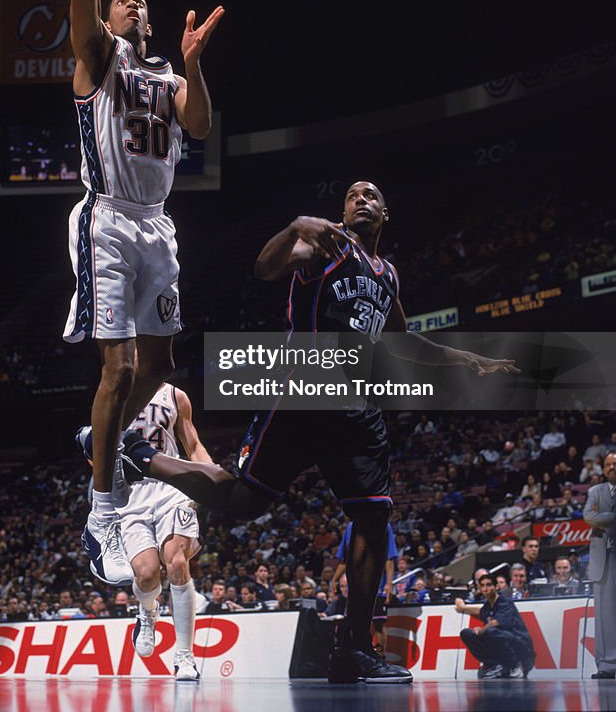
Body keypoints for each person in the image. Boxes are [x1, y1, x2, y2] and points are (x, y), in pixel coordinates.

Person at [120, 181, 517, 683]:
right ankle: (139, 456)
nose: (361, 199)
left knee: (374, 517)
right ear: (343, 211)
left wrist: (467, 358)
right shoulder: (324, 244)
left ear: (385, 212)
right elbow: (264, 268)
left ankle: (352, 650)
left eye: (371, 194)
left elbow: (401, 340)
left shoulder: (388, 274)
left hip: (359, 408)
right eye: (352, 194)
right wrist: (293, 228)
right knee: (244, 501)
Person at [37, 0, 223, 589]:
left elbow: (204, 127)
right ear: (107, 21)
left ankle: (102, 446)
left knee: (162, 364)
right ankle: (101, 508)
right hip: (108, 216)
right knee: (117, 370)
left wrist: (191, 64)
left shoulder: (160, 72)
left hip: (159, 222)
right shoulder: (99, 59)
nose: (132, 0)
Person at [79, 383, 211, 681]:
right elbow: (95, 449)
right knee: (147, 573)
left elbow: (193, 445)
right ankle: (148, 610)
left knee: (177, 561)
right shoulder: (114, 390)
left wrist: (210, 475)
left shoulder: (176, 395)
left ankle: (184, 657)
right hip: (130, 495)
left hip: (172, 487)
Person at [332, 520, 397, 656]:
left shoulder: (383, 524)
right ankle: (354, 658)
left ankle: (380, 658)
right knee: (352, 623)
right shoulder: (351, 526)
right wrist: (334, 579)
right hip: (355, 586)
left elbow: (388, 558)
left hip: (377, 585)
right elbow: (345, 558)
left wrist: (389, 583)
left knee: (378, 623)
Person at [455, 572, 535, 679]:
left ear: (496, 587)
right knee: (466, 633)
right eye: (482, 586)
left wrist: (481, 630)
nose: (485, 589)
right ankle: (493, 665)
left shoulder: (505, 602)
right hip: (501, 642)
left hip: (520, 646)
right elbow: (483, 615)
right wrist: (464, 609)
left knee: (490, 631)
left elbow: (495, 623)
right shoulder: (487, 606)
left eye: (488, 585)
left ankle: (515, 665)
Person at [583, 451, 616, 679]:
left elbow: (595, 519)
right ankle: (606, 665)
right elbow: (587, 516)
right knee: (604, 614)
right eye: (608, 464)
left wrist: (600, 519)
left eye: (615, 464)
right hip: (602, 559)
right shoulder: (594, 491)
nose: (611, 467)